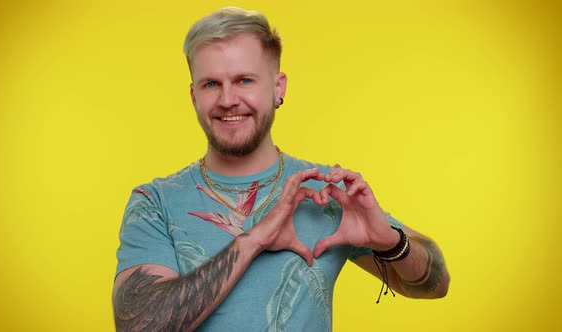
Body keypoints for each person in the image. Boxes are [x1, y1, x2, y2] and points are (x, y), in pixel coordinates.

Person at [113, 6, 449, 332]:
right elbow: (139, 325)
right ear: (194, 96)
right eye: (211, 84)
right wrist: (256, 238)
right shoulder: (154, 202)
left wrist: (389, 242)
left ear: (278, 88)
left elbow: (435, 285)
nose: (228, 99)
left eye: (244, 80)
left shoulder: (325, 192)